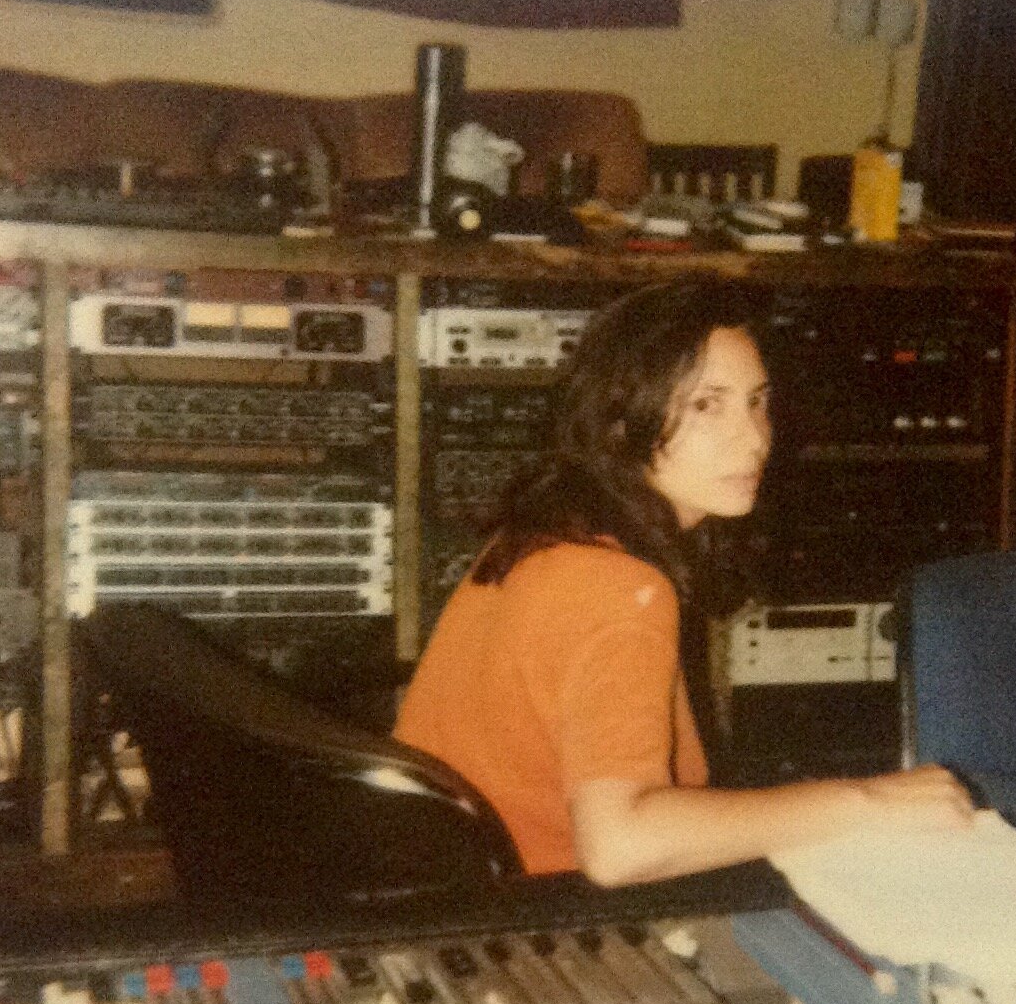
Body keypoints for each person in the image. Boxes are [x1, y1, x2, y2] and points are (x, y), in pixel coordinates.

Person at [394, 279, 974, 884]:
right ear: (623, 421)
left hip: (469, 888)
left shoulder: (547, 536)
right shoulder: (618, 587)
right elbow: (621, 847)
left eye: (757, 402)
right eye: (706, 405)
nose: (755, 438)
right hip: (547, 909)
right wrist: (864, 801)